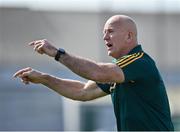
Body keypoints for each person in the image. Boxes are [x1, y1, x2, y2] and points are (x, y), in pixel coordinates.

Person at [13, 15, 174, 131]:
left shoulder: (138, 61)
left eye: (110, 31)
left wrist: (57, 53)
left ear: (129, 36)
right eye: (104, 32)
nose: (105, 37)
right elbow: (82, 91)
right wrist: (44, 78)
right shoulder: (119, 72)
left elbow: (97, 72)